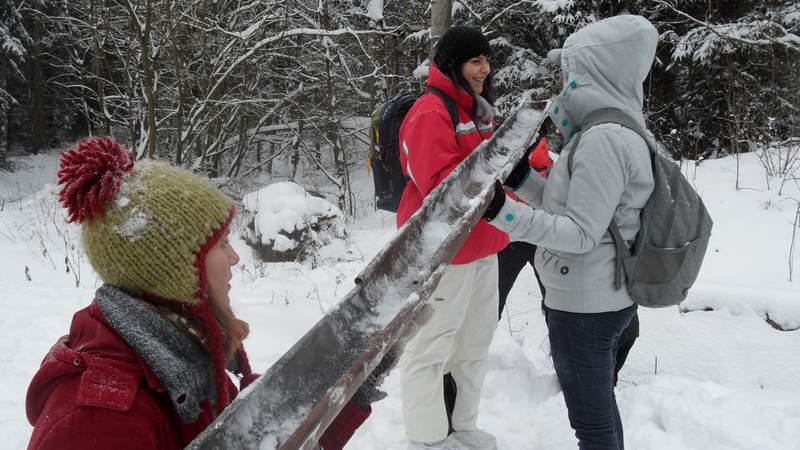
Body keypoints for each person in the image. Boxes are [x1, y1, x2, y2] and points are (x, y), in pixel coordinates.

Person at [25, 137, 377, 450]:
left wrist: (349, 392)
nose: (236, 256)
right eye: (222, 244)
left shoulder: (180, 355)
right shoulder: (97, 423)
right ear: (170, 268)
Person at [482, 15, 658, 450]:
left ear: (598, 70)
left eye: (574, 73)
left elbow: (579, 233)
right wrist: (524, 182)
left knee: (593, 428)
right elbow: (582, 209)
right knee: (600, 418)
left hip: (586, 306)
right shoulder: (614, 130)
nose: (567, 84)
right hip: (600, 295)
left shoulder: (604, 140)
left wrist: (504, 213)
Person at [396, 25, 508, 450]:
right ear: (452, 64)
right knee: (430, 348)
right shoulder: (430, 111)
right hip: (445, 250)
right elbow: (440, 185)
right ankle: (427, 441)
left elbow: (495, 169)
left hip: (484, 245)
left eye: (486, 59)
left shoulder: (478, 109)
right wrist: (500, 196)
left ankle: (463, 430)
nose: (484, 68)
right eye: (475, 60)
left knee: (473, 345)